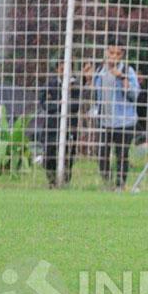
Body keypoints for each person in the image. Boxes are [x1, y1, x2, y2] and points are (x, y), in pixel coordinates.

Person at [89, 41, 140, 190]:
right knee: (102, 155)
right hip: (105, 121)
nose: (114, 57)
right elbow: (95, 94)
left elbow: (135, 94)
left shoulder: (127, 71)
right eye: (111, 53)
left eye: (118, 54)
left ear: (122, 55)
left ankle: (120, 185)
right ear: (106, 52)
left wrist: (122, 77)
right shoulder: (100, 71)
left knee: (122, 156)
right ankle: (108, 183)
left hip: (124, 122)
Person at [39, 61, 81, 188]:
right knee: (49, 154)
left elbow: (75, 106)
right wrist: (61, 104)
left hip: (69, 126)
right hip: (51, 125)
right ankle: (51, 181)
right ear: (57, 69)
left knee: (68, 155)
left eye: (67, 68)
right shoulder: (50, 84)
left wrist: (58, 103)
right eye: (61, 67)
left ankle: (65, 182)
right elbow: (44, 103)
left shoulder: (75, 86)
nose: (64, 71)